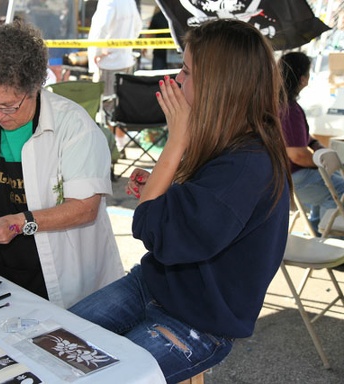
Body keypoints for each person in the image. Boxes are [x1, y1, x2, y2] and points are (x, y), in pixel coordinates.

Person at [69, 19, 292, 383]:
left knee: (95, 377)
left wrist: (175, 143)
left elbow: (149, 226)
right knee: (49, 344)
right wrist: (164, 184)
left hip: (198, 323)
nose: (176, 81)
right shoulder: (233, 140)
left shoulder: (247, 165)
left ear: (219, 85)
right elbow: (184, 210)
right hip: (153, 285)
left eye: (186, 72)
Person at [0, 21, 124, 308]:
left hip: (68, 283)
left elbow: (86, 208)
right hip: (0, 276)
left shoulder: (73, 126)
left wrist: (20, 223)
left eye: (9, 106)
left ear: (35, 87)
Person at [280, 51, 344, 233]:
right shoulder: (289, 109)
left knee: (333, 182)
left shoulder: (280, 103)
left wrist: (316, 145)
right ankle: (329, 238)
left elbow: (302, 138)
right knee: (339, 190)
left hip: (287, 175)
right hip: (293, 176)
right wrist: (320, 164)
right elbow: (298, 155)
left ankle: (317, 230)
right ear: (303, 78)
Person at [87, 0, 142, 151]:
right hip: (125, 59)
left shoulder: (109, 2)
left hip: (109, 62)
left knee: (107, 108)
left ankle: (111, 147)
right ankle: (119, 143)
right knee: (120, 105)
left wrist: (98, 53)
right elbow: (138, 27)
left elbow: (101, 28)